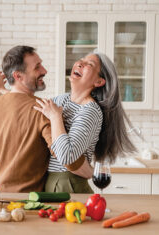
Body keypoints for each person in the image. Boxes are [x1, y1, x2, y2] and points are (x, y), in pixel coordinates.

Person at [0, 45, 84, 192]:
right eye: (37, 67)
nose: (44, 71)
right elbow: (69, 159)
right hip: (30, 201)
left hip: (1, 196)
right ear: (18, 76)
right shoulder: (42, 110)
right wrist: (91, 171)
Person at [34, 52, 137, 193]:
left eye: (89, 64)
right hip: (49, 181)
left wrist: (55, 117)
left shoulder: (90, 111)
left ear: (99, 82)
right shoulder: (61, 100)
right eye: (81, 60)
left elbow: (67, 156)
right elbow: (34, 117)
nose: (80, 63)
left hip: (68, 184)